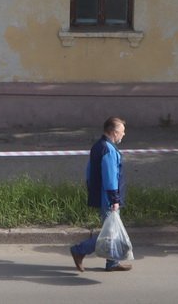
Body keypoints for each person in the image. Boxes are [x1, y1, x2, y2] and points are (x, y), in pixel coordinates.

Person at [69, 116, 131, 272]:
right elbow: (110, 177)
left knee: (112, 230)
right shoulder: (108, 149)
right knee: (110, 233)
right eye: (122, 132)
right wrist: (114, 199)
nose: (124, 134)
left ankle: (112, 263)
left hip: (103, 195)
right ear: (114, 132)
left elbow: (89, 172)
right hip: (108, 197)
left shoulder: (98, 146)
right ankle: (79, 250)